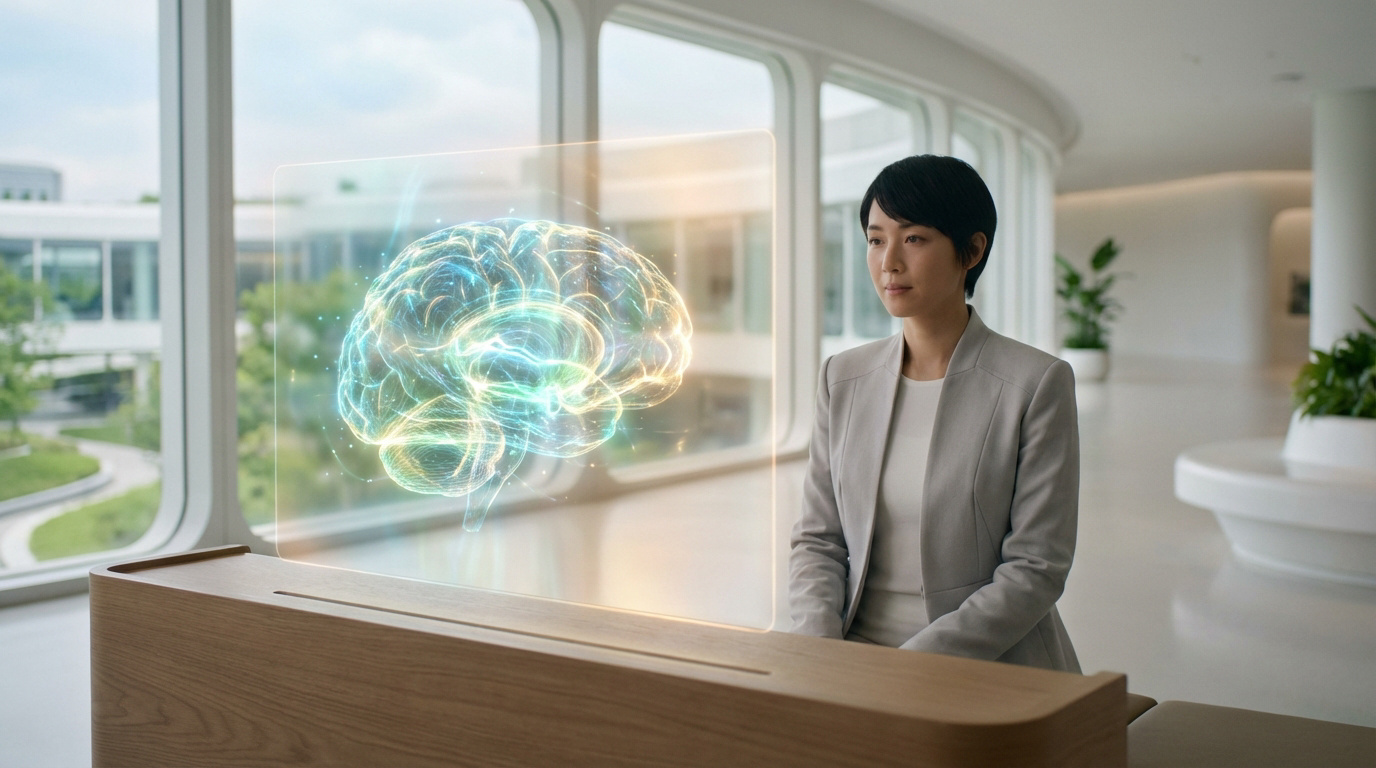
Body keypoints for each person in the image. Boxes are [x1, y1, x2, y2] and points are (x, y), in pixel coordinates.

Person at [789, 154, 1080, 672]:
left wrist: (906, 672)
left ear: (971, 250)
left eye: (914, 238)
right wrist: (820, 653)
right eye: (876, 239)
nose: (888, 262)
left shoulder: (1034, 383)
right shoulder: (842, 377)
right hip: (848, 658)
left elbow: (1036, 568)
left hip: (984, 664)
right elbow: (819, 540)